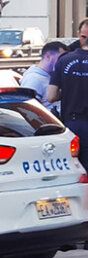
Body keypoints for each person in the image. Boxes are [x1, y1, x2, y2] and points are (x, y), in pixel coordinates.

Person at [48, 17, 88, 169]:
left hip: (71, 124)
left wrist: (69, 91)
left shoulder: (64, 60)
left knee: (74, 168)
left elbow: (50, 96)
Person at [21, 40, 67, 111]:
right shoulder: (33, 79)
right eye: (60, 58)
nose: (62, 62)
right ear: (48, 56)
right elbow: (28, 110)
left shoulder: (51, 76)